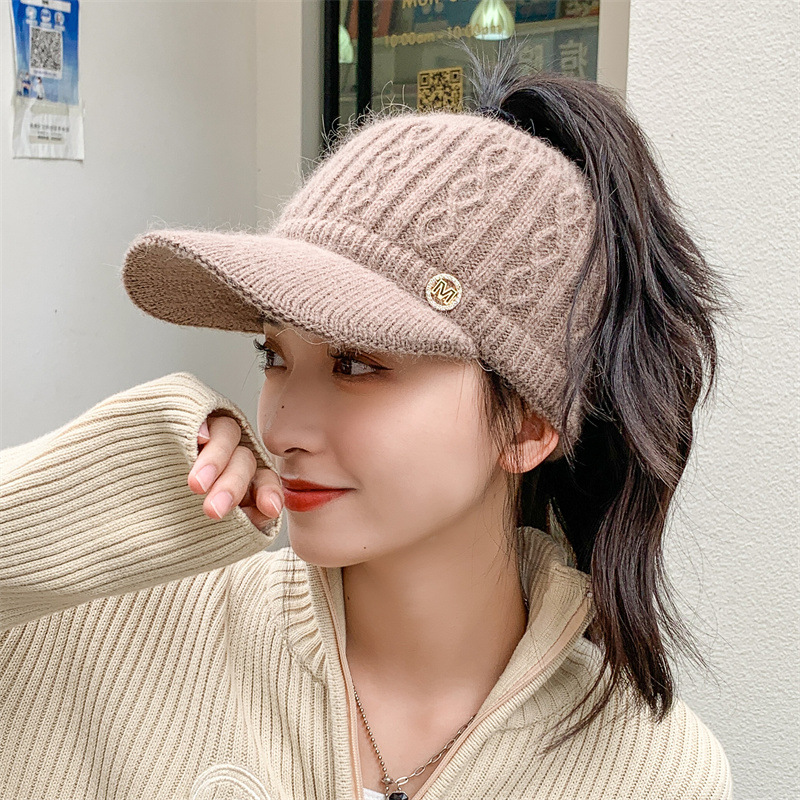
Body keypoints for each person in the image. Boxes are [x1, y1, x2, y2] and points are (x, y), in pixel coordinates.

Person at [0, 39, 733, 800]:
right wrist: (121, 485)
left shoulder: (656, 773)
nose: (281, 428)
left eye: (355, 365)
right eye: (274, 355)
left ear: (526, 425)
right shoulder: (126, 634)